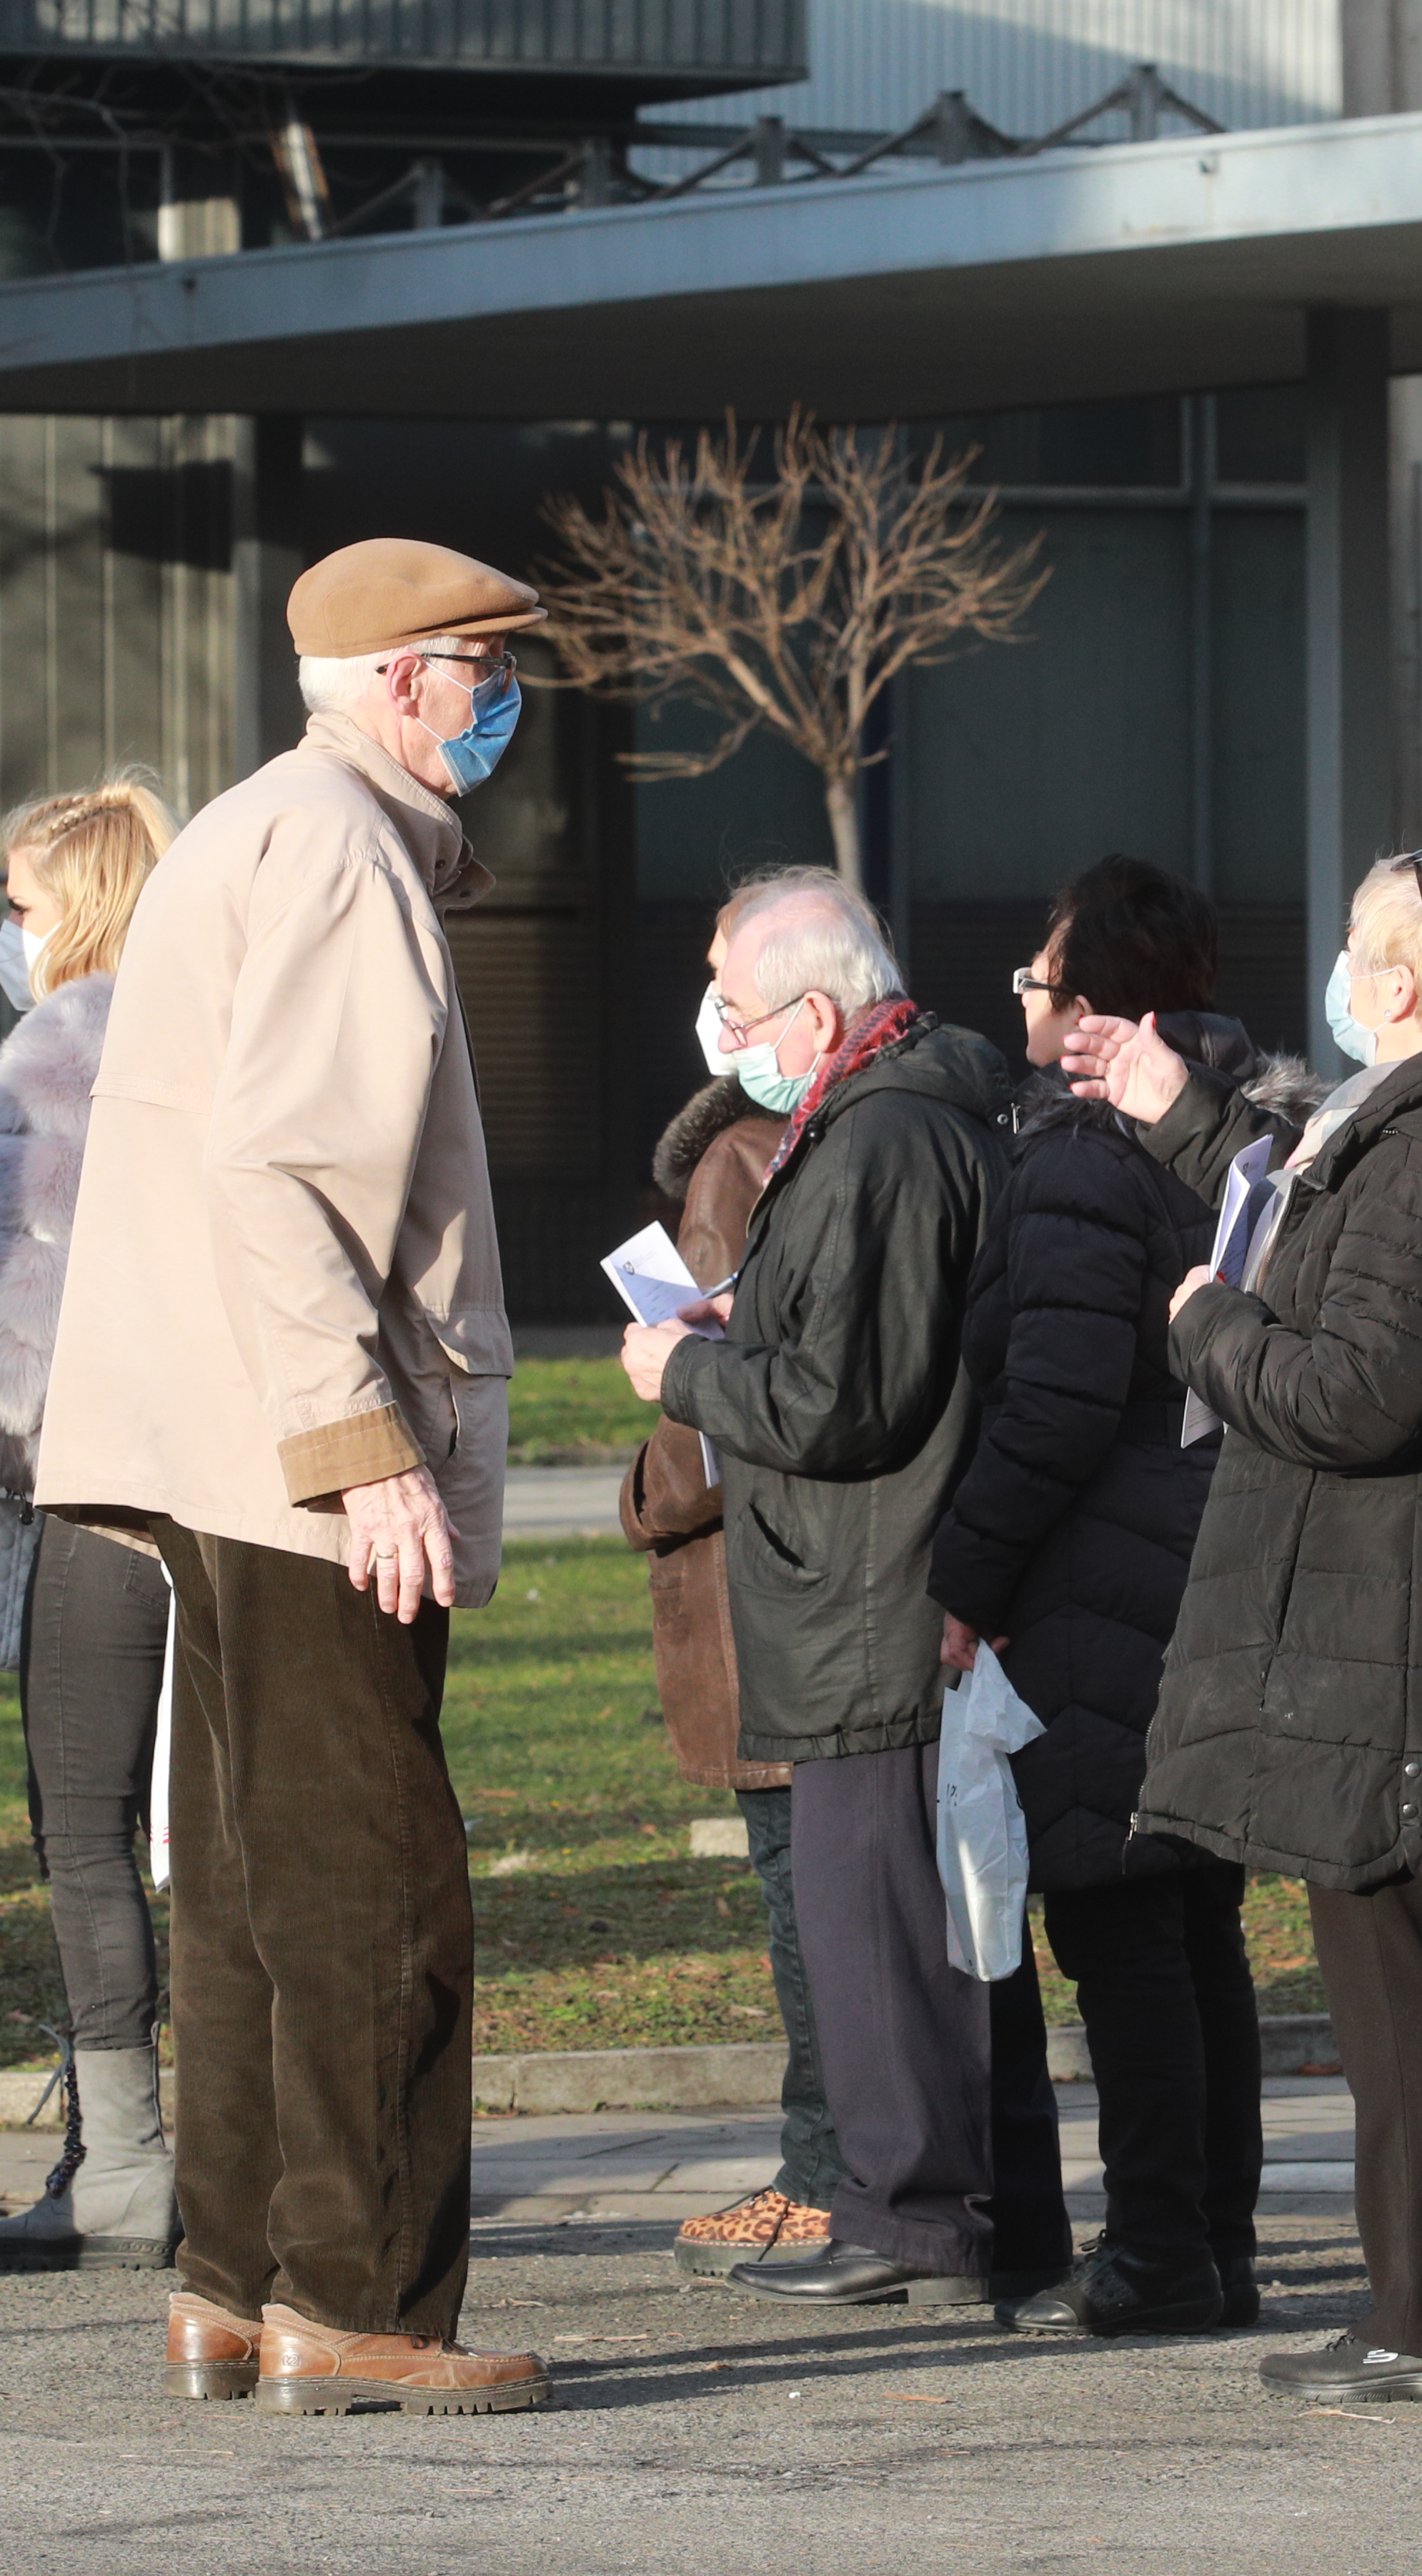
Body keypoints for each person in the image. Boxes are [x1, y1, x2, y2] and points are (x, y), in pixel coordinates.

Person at [30, 538, 554, 2416]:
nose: (507, 709)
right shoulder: (340, 847)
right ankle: (362, 2303)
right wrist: (367, 1454)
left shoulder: (252, 827)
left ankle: (233, 2286)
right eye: (489, 673)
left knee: (252, 1884)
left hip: (206, 1448)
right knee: (375, 1882)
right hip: (297, 1454)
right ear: (406, 678)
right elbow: (289, 1171)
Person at [1067, 819, 1422, 2406]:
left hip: (1400, 1636)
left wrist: (1204, 1328)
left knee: (1410, 1985)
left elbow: (1348, 1385)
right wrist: (1191, 1134)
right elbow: (1310, 1217)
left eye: (1358, 946)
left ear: (1395, 981)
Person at [620, 869, 1052, 2313]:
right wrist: (763, 1314)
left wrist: (678, 1367)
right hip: (881, 1582)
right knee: (938, 1919)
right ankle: (977, 2208)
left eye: (737, 1005)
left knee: (880, 1928)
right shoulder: (901, 1117)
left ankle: (905, 2209)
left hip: (868, 1587)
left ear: (815, 1010)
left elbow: (836, 1406)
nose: (721, 1029)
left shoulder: (877, 1137)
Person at [933, 854, 1271, 2341]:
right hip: (1210, 1557)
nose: (1023, 990)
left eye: (1041, 971)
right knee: (1198, 1917)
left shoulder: (1080, 1152)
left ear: (1096, 1014)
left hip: (1100, 1579)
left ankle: (1157, 2247)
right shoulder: (1239, 1131)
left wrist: (965, 1577)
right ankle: (1213, 2232)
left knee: (1126, 1923)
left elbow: (1055, 1398)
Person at [0, 774, 181, 2275]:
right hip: (223, 1483)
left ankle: (121, 2156)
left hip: (93, 1488)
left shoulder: (64, 1043)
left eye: (17, 903)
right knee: (206, 1829)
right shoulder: (218, 1027)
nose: (2, 934)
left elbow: (19, 1301)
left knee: (83, 1828)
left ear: (78, 903)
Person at [612, 1066, 829, 2277]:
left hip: (760, 1593)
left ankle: (821, 2169)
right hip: (818, 1583)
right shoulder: (807, 1140)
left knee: (800, 1893)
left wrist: (642, 1498)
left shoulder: (729, 1167)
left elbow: (706, 1426)